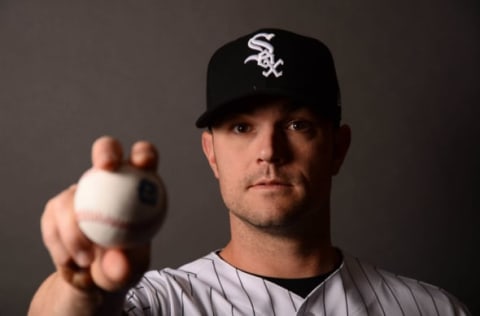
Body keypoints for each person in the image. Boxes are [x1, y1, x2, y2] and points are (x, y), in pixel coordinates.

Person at [28, 28, 470, 316]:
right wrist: (84, 286)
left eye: (297, 125)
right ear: (211, 153)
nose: (269, 151)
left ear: (338, 148)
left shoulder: (432, 309)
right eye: (242, 127)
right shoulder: (159, 303)